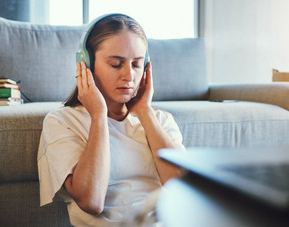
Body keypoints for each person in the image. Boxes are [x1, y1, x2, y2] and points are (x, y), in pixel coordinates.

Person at [37, 13, 185, 226]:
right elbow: (91, 201)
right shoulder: (62, 121)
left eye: (136, 64)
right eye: (116, 64)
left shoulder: (160, 120)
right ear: (86, 64)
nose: (129, 75)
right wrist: (98, 116)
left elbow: (184, 191)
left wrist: (145, 112)